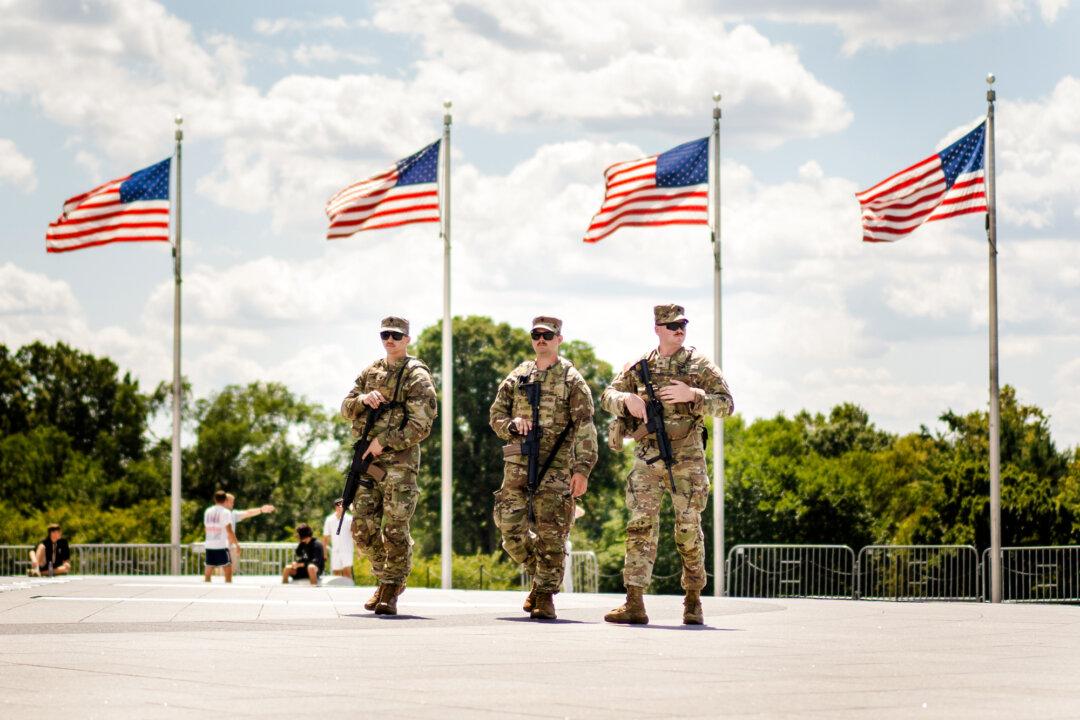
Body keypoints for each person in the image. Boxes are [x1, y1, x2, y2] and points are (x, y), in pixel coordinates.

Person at [600, 304, 734, 625]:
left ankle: (693, 599)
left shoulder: (699, 364)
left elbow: (726, 405)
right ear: (657, 328)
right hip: (648, 458)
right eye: (671, 325)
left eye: (682, 324)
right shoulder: (641, 365)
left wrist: (694, 394)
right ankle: (634, 602)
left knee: (687, 530)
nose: (679, 330)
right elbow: (607, 395)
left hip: (686, 458)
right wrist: (626, 399)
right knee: (640, 526)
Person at [488, 316, 597, 620]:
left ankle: (545, 595)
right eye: (536, 335)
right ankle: (541, 577)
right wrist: (511, 424)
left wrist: (582, 469)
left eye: (547, 335)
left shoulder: (572, 380)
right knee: (510, 529)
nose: (541, 340)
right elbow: (496, 415)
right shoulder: (519, 375)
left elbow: (586, 426)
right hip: (518, 462)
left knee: (552, 533)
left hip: (556, 466)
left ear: (559, 339)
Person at [340, 316, 438, 615]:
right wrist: (362, 400)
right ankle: (386, 578)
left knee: (395, 528)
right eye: (385, 334)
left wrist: (384, 441)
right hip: (368, 463)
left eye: (396, 335)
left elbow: (421, 426)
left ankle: (391, 588)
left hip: (399, 464)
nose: (390, 340)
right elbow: (345, 407)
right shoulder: (372, 370)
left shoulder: (416, 375)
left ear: (407, 339)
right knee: (361, 528)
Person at [224, 493, 276, 575]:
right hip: (220, 548)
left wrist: (261, 510)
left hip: (230, 547)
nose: (233, 504)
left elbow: (248, 513)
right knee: (220, 575)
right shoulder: (215, 514)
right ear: (225, 501)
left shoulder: (233, 514)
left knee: (229, 573)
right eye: (231, 502)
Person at [203, 490, 239, 583]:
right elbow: (229, 531)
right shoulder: (226, 512)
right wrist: (237, 544)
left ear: (215, 499)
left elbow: (206, 527)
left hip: (209, 544)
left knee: (208, 569)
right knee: (228, 569)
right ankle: (228, 588)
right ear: (225, 500)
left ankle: (206, 586)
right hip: (221, 545)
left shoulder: (208, 511)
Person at [322, 498, 356, 579]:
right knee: (336, 574)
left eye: (342, 505)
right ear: (335, 507)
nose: (340, 507)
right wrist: (325, 553)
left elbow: (354, 534)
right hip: (335, 551)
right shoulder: (329, 519)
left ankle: (349, 590)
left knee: (347, 573)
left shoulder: (350, 519)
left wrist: (358, 550)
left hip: (347, 550)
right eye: (338, 505)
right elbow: (325, 537)